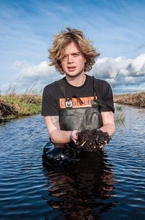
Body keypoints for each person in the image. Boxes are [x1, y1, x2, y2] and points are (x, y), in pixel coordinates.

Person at [41, 27, 115, 167]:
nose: (70, 60)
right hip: (65, 155)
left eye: (75, 54)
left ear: (85, 57)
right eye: (64, 56)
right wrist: (72, 135)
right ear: (59, 60)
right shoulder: (51, 91)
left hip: (95, 152)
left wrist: (98, 136)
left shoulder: (102, 87)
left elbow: (109, 124)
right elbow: (53, 133)